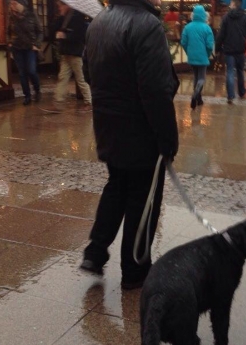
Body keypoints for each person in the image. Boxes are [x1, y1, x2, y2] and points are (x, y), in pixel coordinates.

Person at [80, 0, 179, 290]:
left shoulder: (99, 22)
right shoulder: (147, 26)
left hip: (108, 124)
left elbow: (88, 72)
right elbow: (156, 90)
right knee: (143, 198)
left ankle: (95, 253)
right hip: (141, 130)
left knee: (117, 185)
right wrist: (168, 139)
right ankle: (135, 270)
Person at [41, 1, 91, 113]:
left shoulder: (78, 17)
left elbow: (80, 35)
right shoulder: (64, 18)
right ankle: (58, 103)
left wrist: (65, 35)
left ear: (67, 5)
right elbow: (52, 29)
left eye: (60, 6)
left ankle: (89, 102)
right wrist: (60, 18)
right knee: (62, 78)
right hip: (65, 52)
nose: (59, 8)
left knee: (81, 79)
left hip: (76, 53)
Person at [215, 0, 246, 104]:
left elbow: (221, 35)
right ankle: (241, 91)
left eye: (231, 3)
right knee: (240, 71)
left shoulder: (226, 18)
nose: (229, 5)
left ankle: (230, 95)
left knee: (230, 71)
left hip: (229, 49)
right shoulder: (245, 17)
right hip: (241, 49)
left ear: (234, 5)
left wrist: (217, 48)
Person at [7, 0, 42, 105]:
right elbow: (8, 32)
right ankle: (27, 96)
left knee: (31, 71)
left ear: (21, 4)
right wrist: (9, 42)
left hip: (30, 47)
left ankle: (37, 90)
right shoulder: (11, 17)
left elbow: (40, 31)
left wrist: (37, 44)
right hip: (17, 48)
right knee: (22, 73)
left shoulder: (31, 15)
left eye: (14, 3)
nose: (12, 6)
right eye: (11, 3)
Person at [181, 5, 214, 110]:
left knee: (195, 77)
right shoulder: (207, 28)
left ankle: (199, 99)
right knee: (202, 79)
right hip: (203, 56)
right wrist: (207, 54)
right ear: (204, 16)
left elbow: (183, 42)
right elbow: (209, 45)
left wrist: (188, 52)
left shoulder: (187, 27)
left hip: (192, 56)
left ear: (193, 15)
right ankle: (195, 95)